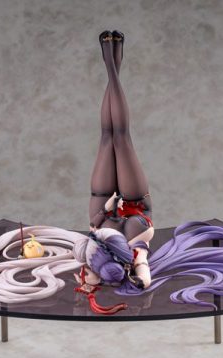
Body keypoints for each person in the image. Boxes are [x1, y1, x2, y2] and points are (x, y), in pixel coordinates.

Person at [83, 30, 154, 290]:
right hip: (136, 204)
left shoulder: (96, 258)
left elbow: (93, 227)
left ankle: (111, 62)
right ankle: (113, 64)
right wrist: (140, 281)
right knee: (121, 138)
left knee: (107, 137)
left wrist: (106, 209)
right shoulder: (135, 254)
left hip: (102, 206)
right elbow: (144, 273)